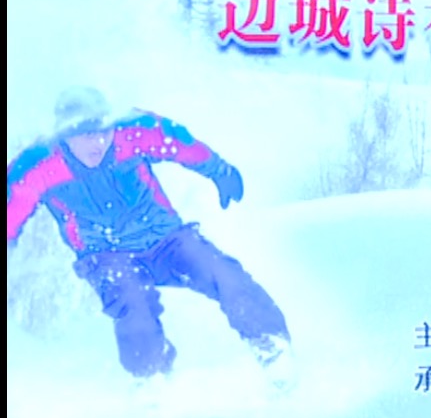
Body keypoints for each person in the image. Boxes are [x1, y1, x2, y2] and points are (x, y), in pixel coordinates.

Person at [5, 87, 290, 379]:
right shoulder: (39, 164)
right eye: (88, 134)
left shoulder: (131, 132)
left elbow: (176, 140)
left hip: (167, 239)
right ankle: (152, 377)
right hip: (105, 255)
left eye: (104, 131)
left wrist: (219, 171)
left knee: (222, 272)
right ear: (65, 134)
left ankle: (271, 345)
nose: (99, 142)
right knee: (133, 307)